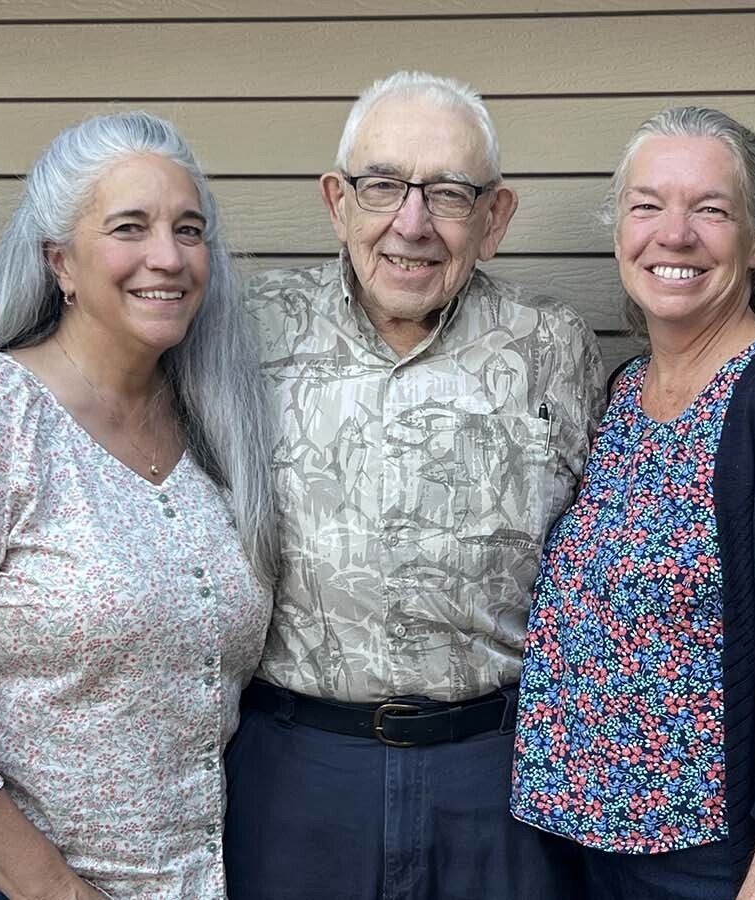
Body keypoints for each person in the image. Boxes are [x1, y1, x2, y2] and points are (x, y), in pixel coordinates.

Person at [0, 111, 278, 900]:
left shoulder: (215, 425)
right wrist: (53, 889)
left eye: (188, 229)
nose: (167, 258)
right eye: (129, 227)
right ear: (60, 263)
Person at [224, 71, 604, 899]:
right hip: (300, 772)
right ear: (337, 201)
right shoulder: (246, 336)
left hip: (499, 780)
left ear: (495, 217)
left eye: (449, 194)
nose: (412, 223)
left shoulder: (555, 348)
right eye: (383, 186)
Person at [510, 106, 755, 900]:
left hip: (718, 866)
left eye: (710, 210)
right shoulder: (621, 395)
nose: (674, 234)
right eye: (646, 205)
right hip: (581, 848)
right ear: (619, 228)